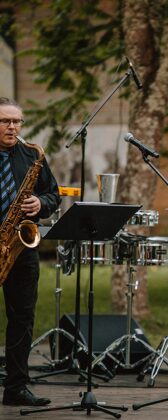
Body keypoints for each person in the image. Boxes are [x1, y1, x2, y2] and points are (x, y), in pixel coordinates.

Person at [0, 97, 60, 406]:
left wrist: (41, 203)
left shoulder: (32, 155)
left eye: (17, 121)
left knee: (22, 319)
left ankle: (16, 388)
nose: (13, 127)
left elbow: (53, 193)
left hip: (21, 246)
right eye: (5, 121)